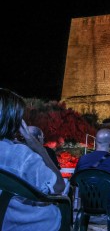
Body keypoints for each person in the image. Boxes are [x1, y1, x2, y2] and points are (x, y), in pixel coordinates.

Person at [0, 88, 65, 231]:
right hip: (30, 225)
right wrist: (38, 147)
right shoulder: (21, 155)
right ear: (15, 121)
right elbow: (58, 187)